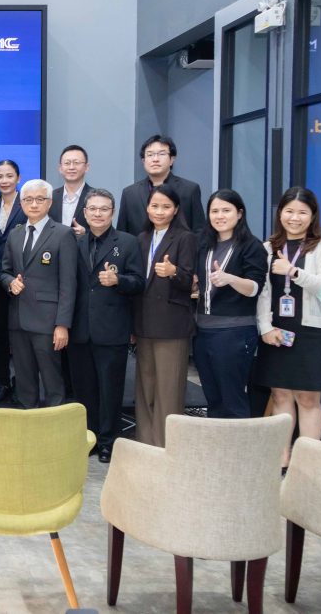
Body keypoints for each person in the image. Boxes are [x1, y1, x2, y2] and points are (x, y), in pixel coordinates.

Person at [254, 187, 321, 468]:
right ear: (280, 213)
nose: (294, 218)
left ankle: (307, 463)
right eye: (289, 211)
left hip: (313, 333)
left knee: (308, 398)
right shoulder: (268, 248)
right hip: (278, 332)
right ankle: (283, 458)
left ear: (312, 215)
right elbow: (262, 293)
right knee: (280, 395)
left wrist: (294, 272)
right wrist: (265, 327)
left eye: (302, 212)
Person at [66, 189, 143, 462]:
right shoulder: (74, 242)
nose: (98, 214)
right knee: (84, 390)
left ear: (113, 212)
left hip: (112, 330)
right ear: (84, 213)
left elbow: (139, 282)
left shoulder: (128, 242)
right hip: (79, 329)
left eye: (104, 209)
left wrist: (118, 280)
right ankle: (90, 438)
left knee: (110, 390)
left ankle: (109, 441)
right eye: (93, 209)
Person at [0, 179, 77, 408]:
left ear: (49, 202)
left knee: (53, 383)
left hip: (48, 323)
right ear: (21, 203)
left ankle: (55, 428)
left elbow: (68, 283)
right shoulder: (15, 234)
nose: (34, 204)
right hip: (18, 320)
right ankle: (28, 426)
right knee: (24, 383)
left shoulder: (63, 234)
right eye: (28, 199)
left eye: (40, 199)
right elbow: (3, 271)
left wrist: (62, 324)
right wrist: (10, 283)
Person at [192, 189, 267, 419]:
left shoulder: (251, 246)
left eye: (226, 210)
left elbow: (255, 288)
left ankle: (240, 442)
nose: (219, 216)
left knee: (232, 397)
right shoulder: (204, 244)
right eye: (214, 211)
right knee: (213, 397)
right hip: (202, 330)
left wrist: (230, 279)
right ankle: (218, 441)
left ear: (240, 213)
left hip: (234, 331)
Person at [132, 184, 197, 447]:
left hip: (171, 324)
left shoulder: (185, 238)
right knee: (145, 388)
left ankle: (166, 446)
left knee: (168, 390)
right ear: (147, 208)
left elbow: (190, 280)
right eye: (155, 206)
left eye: (166, 207)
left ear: (176, 210)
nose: (159, 211)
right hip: (143, 322)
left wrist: (174, 272)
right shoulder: (141, 238)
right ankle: (145, 443)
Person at [0, 159, 26, 404]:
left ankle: (22, 383)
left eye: (9, 176)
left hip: (21, 280)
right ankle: (3, 382)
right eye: (0, 176)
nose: (4, 180)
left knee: (21, 335)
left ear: (18, 178)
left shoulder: (27, 205)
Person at [118, 135, 206, 236]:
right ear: (143, 161)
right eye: (150, 155)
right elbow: (122, 234)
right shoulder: (129, 193)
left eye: (162, 154)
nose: (155, 159)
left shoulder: (189, 189)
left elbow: (199, 231)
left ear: (172, 159)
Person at [48, 144, 93, 236]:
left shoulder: (96, 197)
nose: (71, 167)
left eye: (76, 163)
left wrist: (86, 233)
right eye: (67, 163)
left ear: (86, 167)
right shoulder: (50, 197)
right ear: (60, 168)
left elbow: (105, 231)